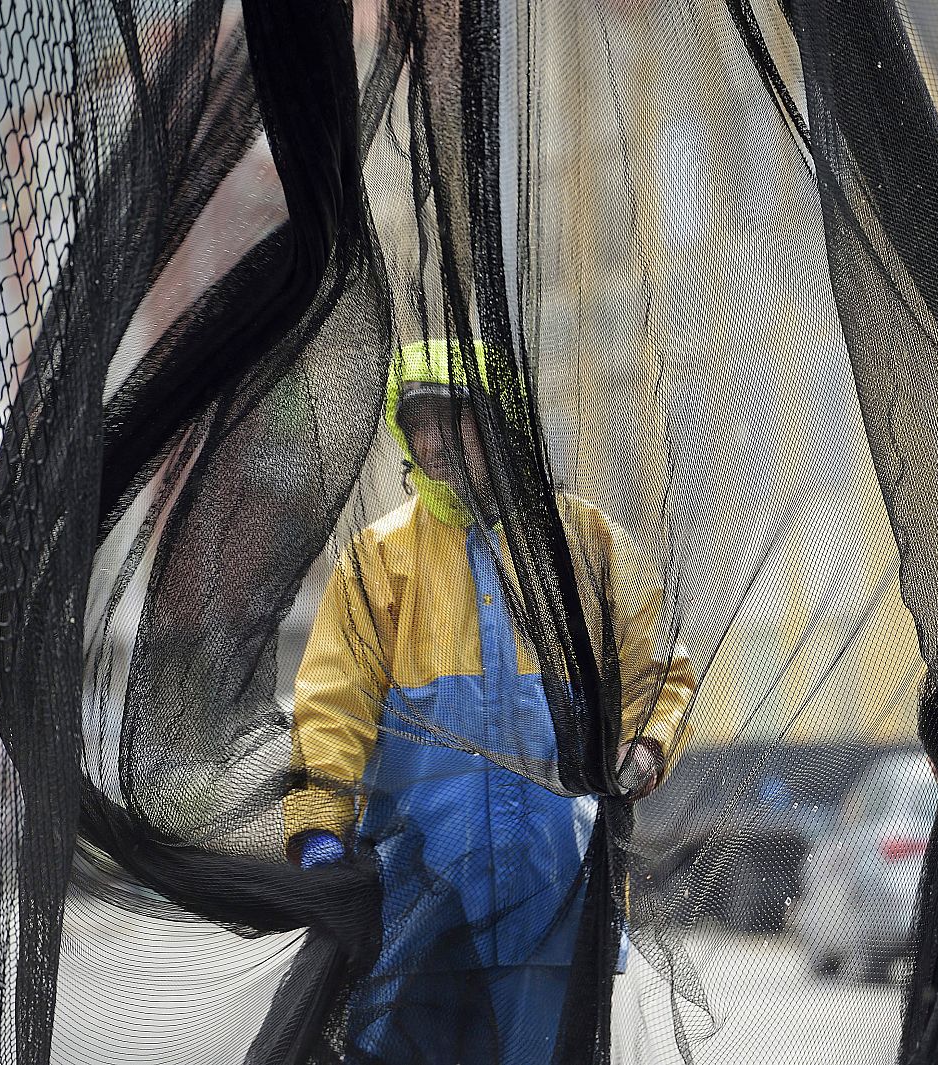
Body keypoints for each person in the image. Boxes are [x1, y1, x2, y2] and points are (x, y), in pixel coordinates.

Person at [283, 340, 696, 1064]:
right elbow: (332, 707)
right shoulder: (377, 560)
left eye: (455, 420)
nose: (435, 442)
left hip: (554, 899)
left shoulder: (581, 543)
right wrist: (319, 827)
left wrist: (648, 745)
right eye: (418, 424)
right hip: (417, 906)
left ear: (500, 423)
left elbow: (658, 670)